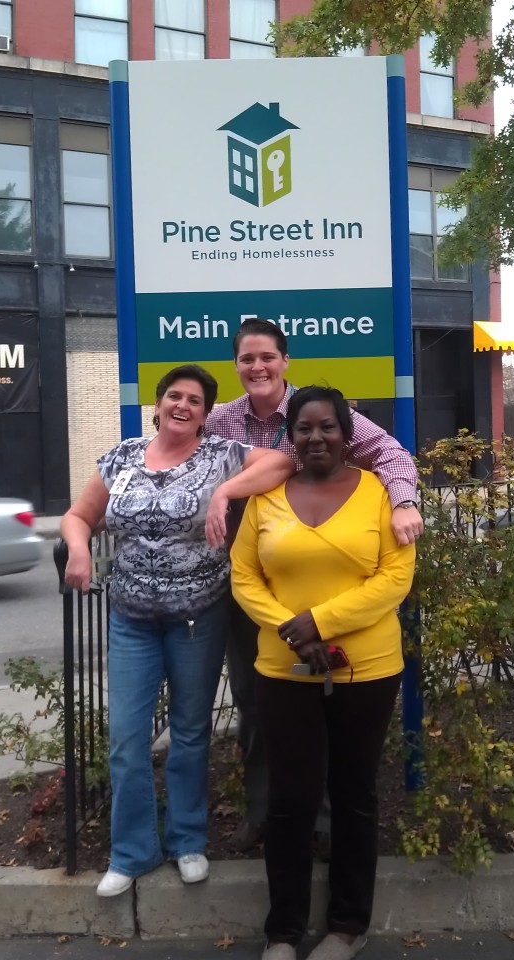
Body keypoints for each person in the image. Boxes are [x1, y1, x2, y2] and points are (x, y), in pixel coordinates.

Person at [61, 364, 295, 898]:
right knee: (126, 738)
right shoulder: (122, 457)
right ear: (159, 403)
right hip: (131, 620)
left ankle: (188, 840)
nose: (182, 405)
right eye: (174, 396)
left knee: (190, 734)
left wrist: (224, 492)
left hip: (198, 617)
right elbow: (79, 515)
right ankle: (132, 852)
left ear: (206, 414)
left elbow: (283, 460)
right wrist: (78, 547)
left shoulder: (220, 454)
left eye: (194, 399)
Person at [205, 318, 423, 852]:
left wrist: (404, 502)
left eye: (267, 357)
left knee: (334, 709)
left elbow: (390, 454)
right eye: (247, 359)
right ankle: (265, 811)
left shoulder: (316, 412)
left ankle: (325, 820)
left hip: (331, 593)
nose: (257, 367)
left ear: (285, 362)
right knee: (257, 702)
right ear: (236, 366)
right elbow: (187, 466)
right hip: (253, 578)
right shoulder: (219, 421)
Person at [229, 385, 416, 960]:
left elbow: (394, 578)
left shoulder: (380, 494)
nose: (315, 437)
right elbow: (243, 577)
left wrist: (320, 622)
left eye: (327, 427)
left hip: (368, 670)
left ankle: (346, 926)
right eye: (304, 428)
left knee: (354, 796)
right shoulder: (266, 498)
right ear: (290, 436)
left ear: (347, 433)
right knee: (290, 800)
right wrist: (292, 629)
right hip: (283, 672)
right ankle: (282, 931)